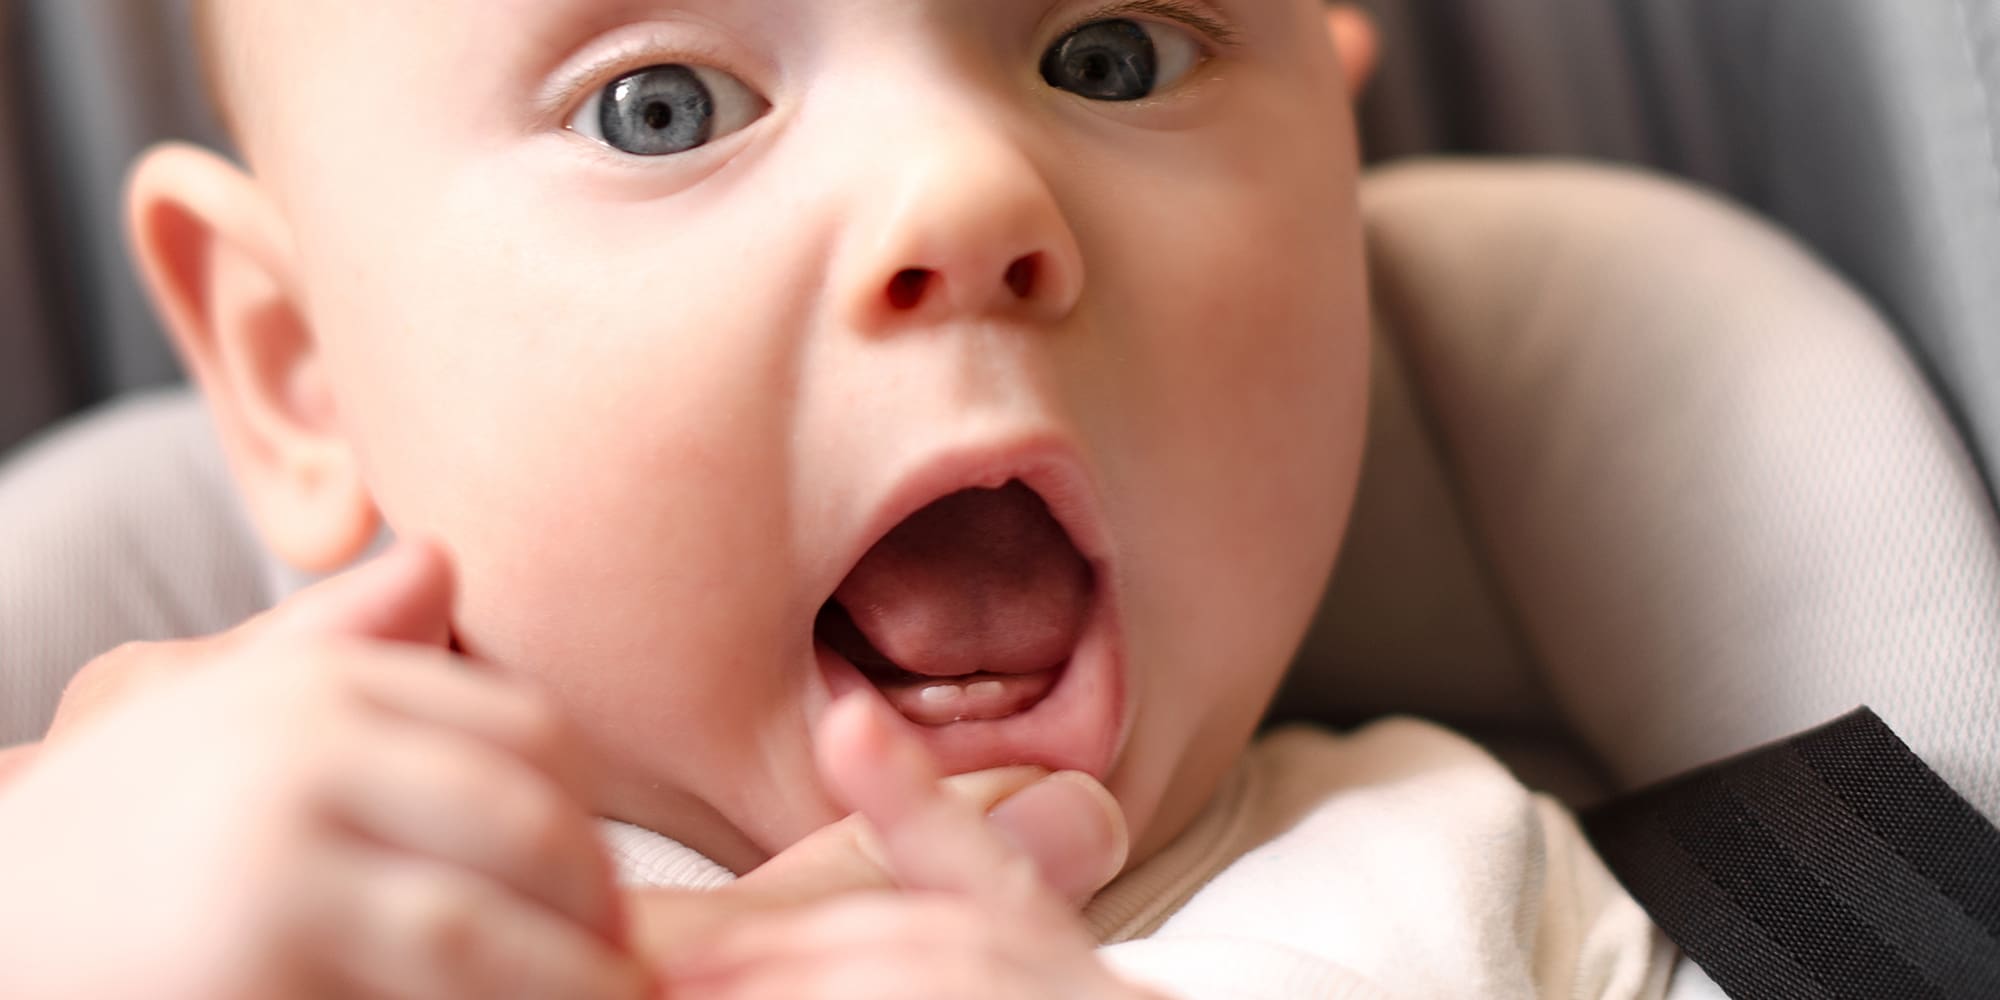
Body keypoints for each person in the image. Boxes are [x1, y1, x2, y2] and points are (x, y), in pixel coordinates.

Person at [0, 1, 1671, 996]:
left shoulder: (1478, 891)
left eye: (1109, 50)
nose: (965, 189)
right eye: (662, 109)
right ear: (302, 363)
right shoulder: (224, 904)